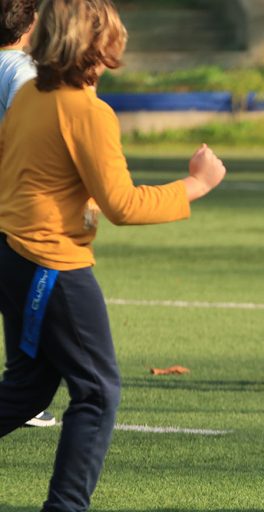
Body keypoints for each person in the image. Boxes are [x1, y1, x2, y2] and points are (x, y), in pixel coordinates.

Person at [0, 0, 226, 510]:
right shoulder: (88, 111)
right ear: (101, 44)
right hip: (51, 265)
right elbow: (123, 205)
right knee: (97, 392)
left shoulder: (30, 96)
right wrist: (196, 184)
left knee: (27, 389)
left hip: (12, 255)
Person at [0, 0, 58, 429]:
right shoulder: (21, 70)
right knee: (23, 299)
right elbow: (33, 130)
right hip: (13, 205)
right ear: (32, 22)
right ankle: (24, 394)